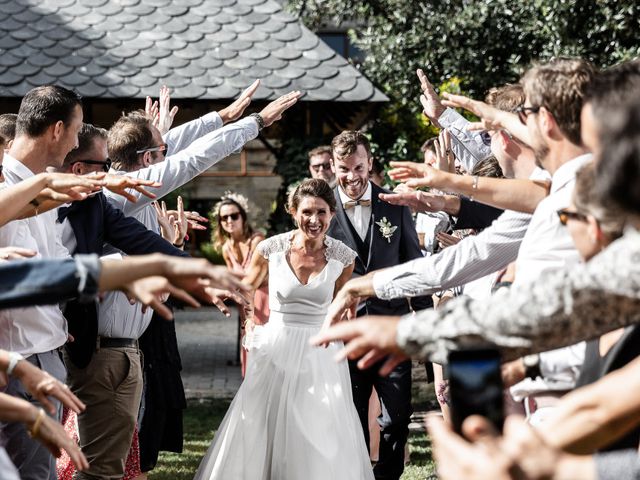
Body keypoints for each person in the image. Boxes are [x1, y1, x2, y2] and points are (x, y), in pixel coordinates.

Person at [193, 178, 373, 479]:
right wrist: (225, 295)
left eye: (321, 213)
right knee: (262, 425)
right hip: (276, 348)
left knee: (319, 430)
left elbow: (343, 310)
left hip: (321, 354)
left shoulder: (343, 258)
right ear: (293, 211)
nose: (314, 220)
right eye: (306, 212)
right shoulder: (270, 249)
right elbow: (246, 287)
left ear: (332, 214)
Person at [325, 130, 432, 480]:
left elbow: (413, 265)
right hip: (347, 333)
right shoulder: (321, 210)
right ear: (332, 167)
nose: (352, 177)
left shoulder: (393, 204)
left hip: (392, 328)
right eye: (344, 169)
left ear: (370, 164)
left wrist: (426, 320)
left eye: (358, 167)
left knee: (398, 415)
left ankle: (387, 476)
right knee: (350, 415)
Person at [212, 191, 268, 377]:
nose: (229, 220)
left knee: (265, 347)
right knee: (249, 346)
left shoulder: (258, 241)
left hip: (264, 299)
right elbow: (234, 280)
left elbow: (250, 279)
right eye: (224, 217)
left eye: (234, 215)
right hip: (245, 302)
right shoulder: (227, 248)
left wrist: (222, 290)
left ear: (242, 217)